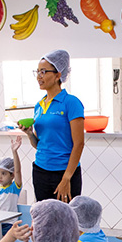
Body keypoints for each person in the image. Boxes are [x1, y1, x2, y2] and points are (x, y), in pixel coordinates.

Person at [18, 49, 85, 203]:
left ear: (57, 75)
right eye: (37, 72)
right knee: (44, 221)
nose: (38, 76)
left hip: (64, 172)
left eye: (43, 71)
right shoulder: (39, 105)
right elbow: (40, 144)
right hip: (40, 171)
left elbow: (79, 144)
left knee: (67, 221)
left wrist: (66, 178)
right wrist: (29, 134)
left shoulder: (71, 103)